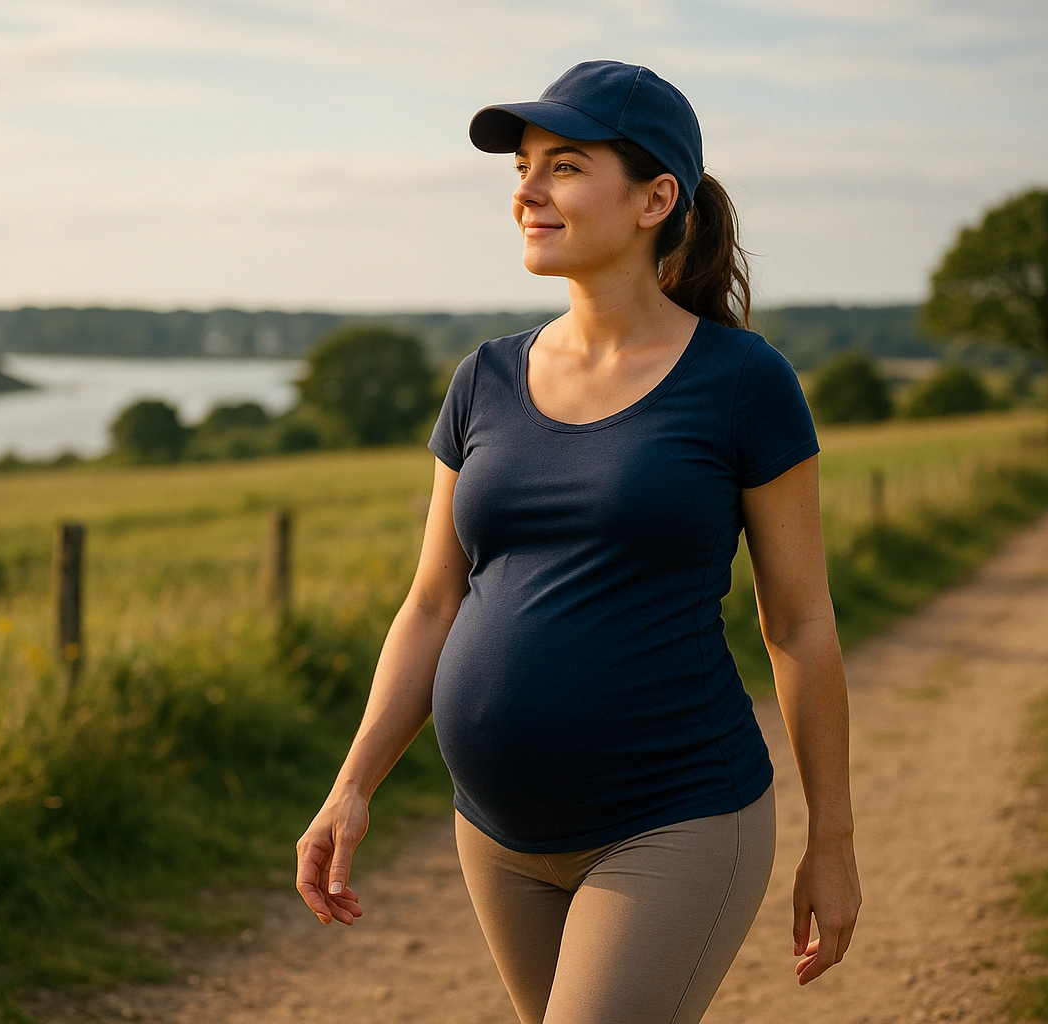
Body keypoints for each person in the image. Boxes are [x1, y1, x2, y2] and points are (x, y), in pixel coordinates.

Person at [296, 60, 860, 1024]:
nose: (527, 190)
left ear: (655, 199)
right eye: (522, 166)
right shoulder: (483, 378)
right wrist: (351, 785)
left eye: (563, 166)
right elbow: (434, 603)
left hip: (676, 818)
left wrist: (833, 842)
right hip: (497, 836)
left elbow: (800, 625)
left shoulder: (741, 382)